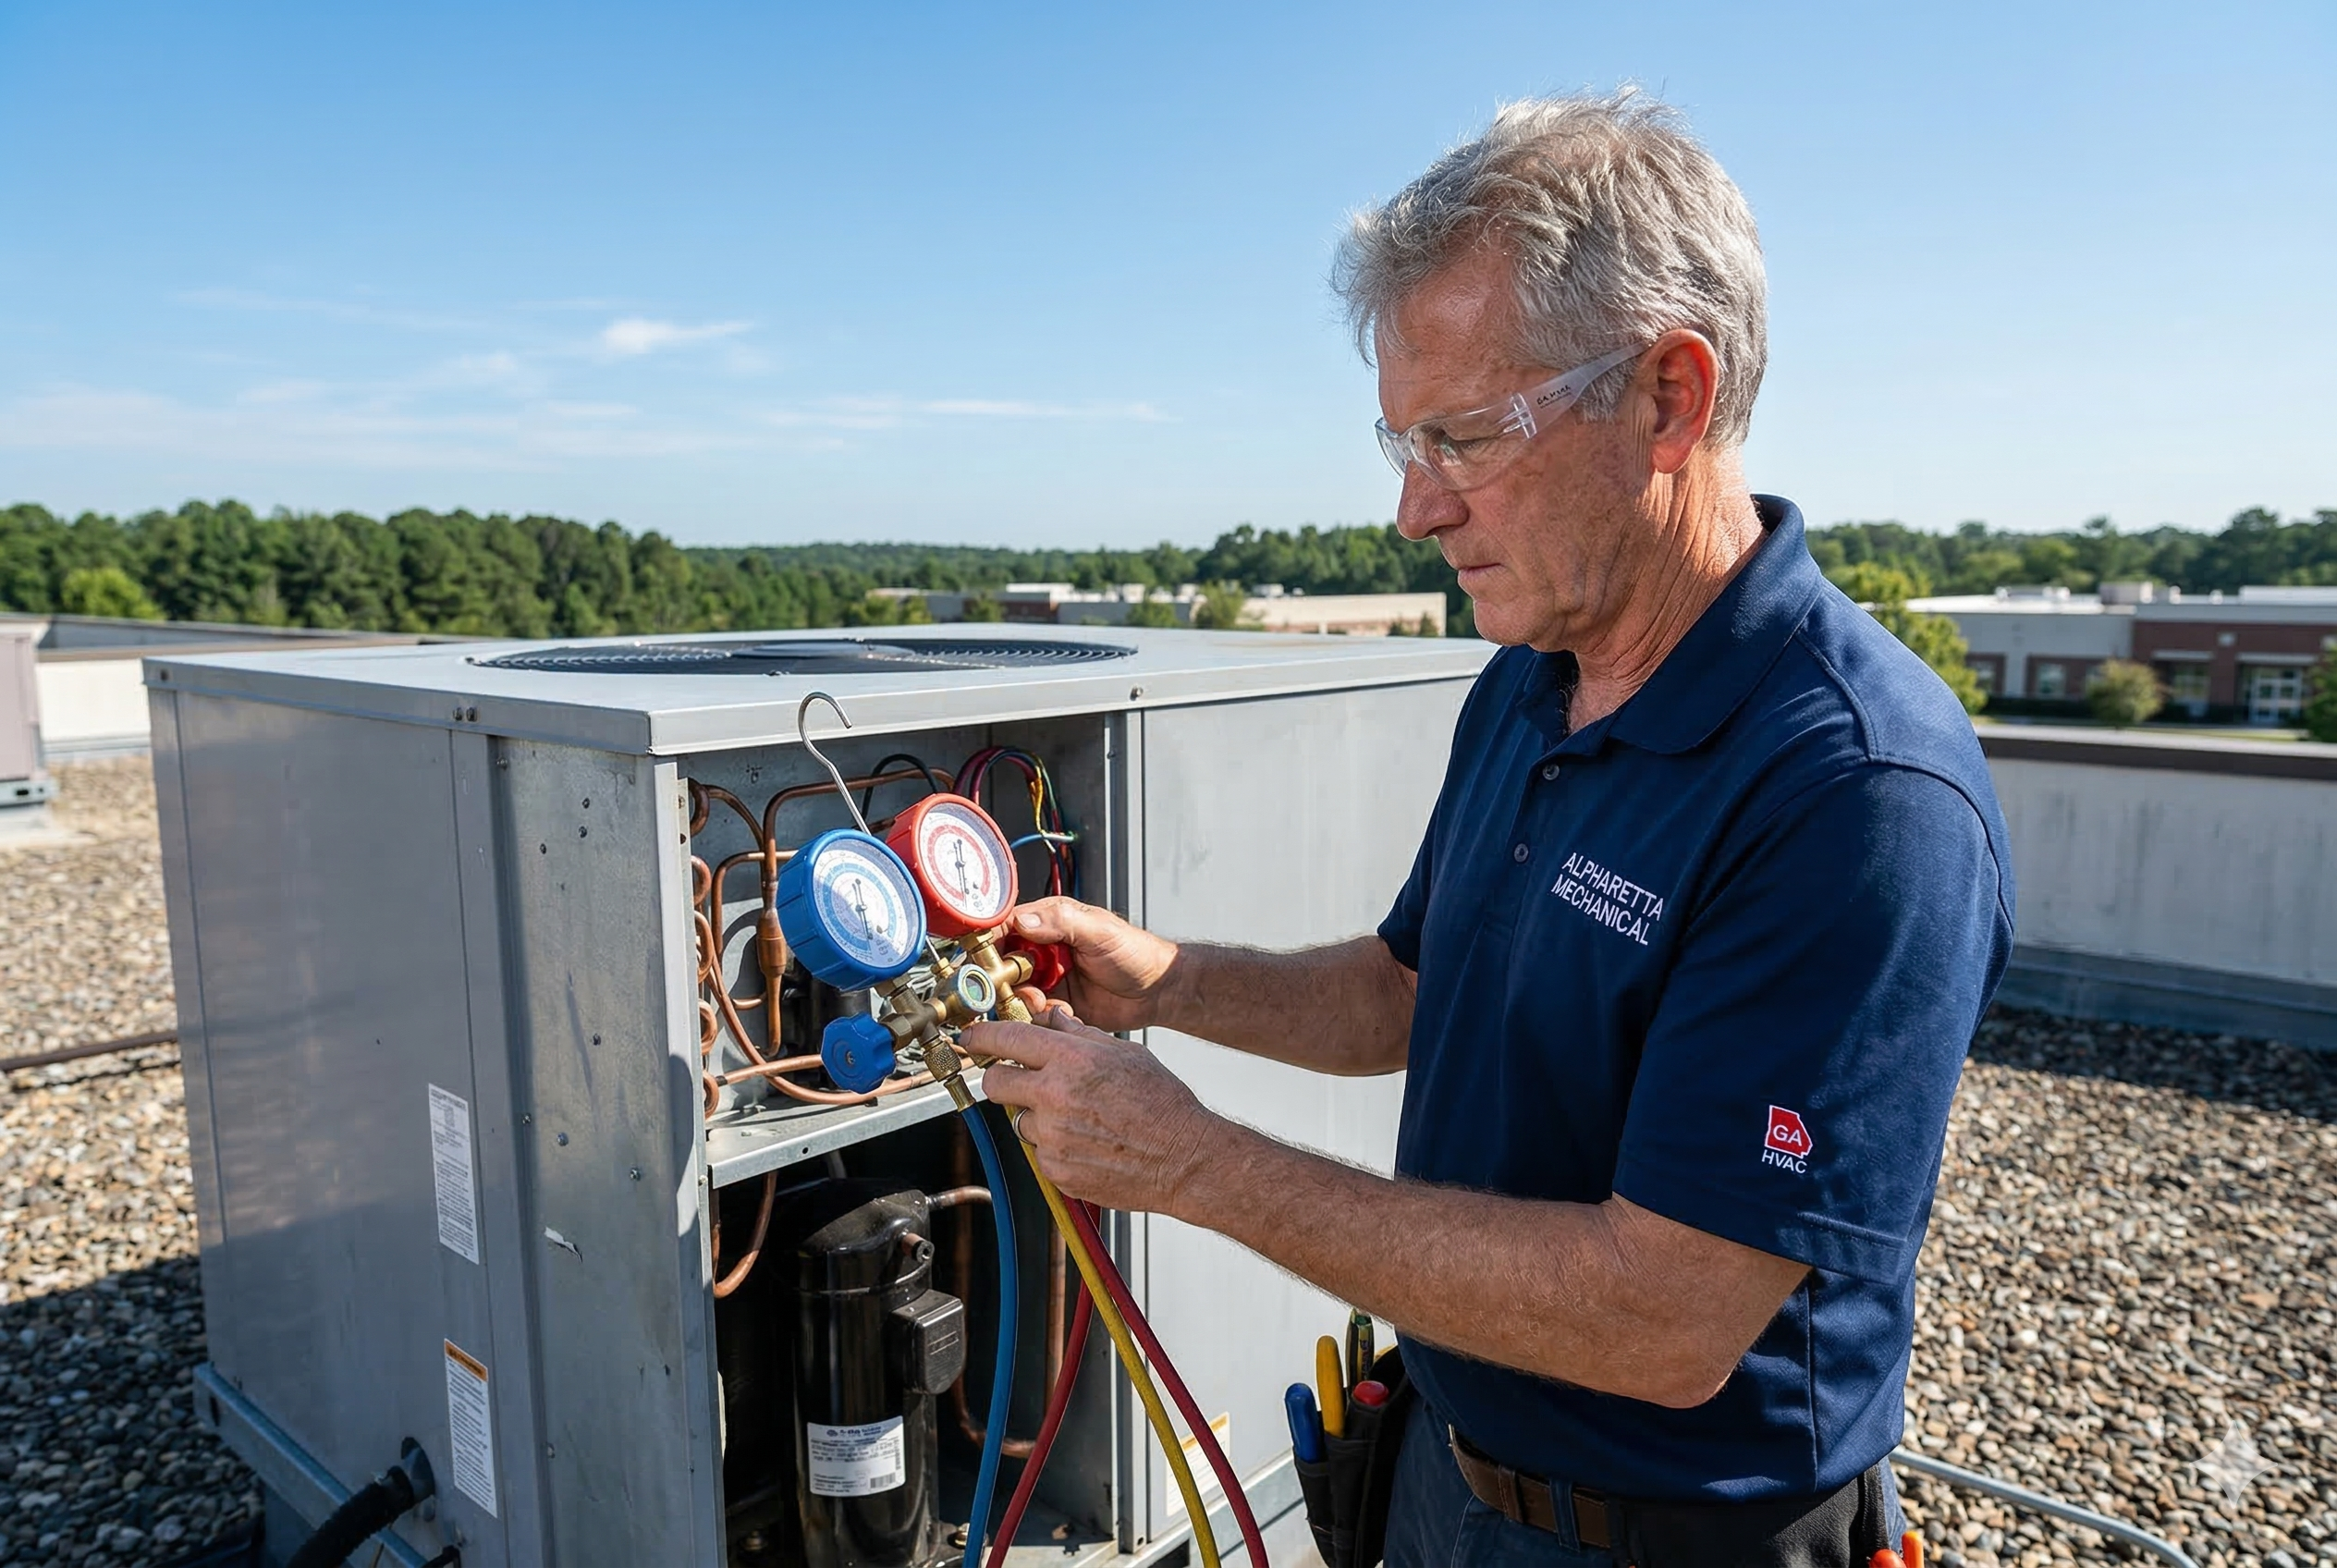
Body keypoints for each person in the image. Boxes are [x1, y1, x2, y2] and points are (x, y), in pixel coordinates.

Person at [973, 92, 2013, 1568]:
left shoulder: (1855, 794)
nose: (1412, 507)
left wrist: (1195, 1165)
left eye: (1462, 436)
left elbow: (1663, 1321)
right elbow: (1410, 986)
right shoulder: (1538, 679)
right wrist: (1170, 981)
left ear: (1670, 395)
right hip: (1441, 1483)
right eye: (1401, 438)